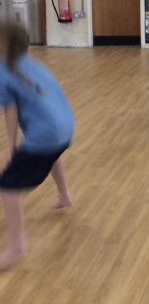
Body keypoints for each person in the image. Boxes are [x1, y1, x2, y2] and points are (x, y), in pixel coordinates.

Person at [0, 21, 74, 270]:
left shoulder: (4, 71)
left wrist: (11, 147)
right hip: (65, 127)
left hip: (46, 135)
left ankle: (16, 246)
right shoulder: (36, 64)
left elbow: (10, 112)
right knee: (52, 154)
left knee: (8, 185)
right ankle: (64, 195)